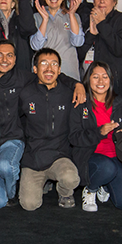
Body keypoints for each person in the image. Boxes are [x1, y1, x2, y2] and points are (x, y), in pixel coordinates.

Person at [70, 62, 122, 212]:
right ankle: (91, 189)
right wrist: (99, 132)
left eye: (105, 77)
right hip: (90, 156)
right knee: (107, 167)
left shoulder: (120, 103)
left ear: (111, 80)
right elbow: (74, 137)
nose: (101, 82)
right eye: (96, 77)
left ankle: (105, 184)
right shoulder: (81, 103)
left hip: (116, 156)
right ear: (88, 80)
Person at [17, 49, 80, 210]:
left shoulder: (70, 94)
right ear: (35, 69)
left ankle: (65, 193)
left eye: (54, 64)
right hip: (34, 158)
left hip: (59, 155)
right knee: (29, 205)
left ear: (59, 70)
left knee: (71, 178)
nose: (49, 68)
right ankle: (42, 183)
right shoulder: (25, 93)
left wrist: (78, 84)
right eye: (43, 63)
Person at [25, 0, 84, 80]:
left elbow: (78, 42)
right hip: (44, 73)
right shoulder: (36, 17)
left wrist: (71, 15)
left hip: (68, 72)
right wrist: (45, 20)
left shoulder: (74, 17)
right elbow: (36, 46)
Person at [79, 0, 122, 93]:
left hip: (114, 84)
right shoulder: (85, 19)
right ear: (93, 1)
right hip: (89, 83)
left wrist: (102, 23)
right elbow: (78, 54)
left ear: (115, 2)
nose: (102, 1)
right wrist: (91, 35)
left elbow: (119, 49)